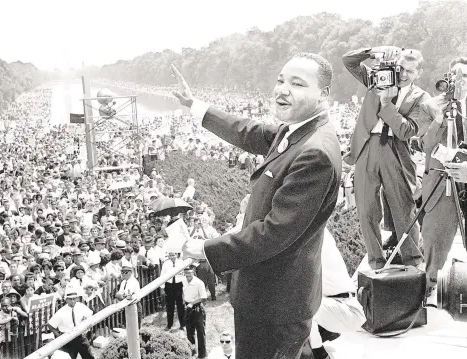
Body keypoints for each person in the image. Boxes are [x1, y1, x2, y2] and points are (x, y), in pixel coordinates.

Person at [173, 51, 342, 359]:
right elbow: (248, 131)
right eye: (280, 80)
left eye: (297, 83)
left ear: (324, 94)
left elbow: (275, 232)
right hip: (271, 295)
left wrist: (209, 249)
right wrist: (195, 106)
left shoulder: (314, 152)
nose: (283, 89)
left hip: (275, 305)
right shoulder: (298, 130)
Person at [342, 46, 429, 270]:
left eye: (409, 71)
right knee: (366, 208)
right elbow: (349, 61)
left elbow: (407, 131)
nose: (402, 74)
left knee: (403, 208)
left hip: (396, 151)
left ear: (418, 73)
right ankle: (376, 261)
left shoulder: (421, 98)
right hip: (366, 147)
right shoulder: (378, 78)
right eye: (399, 68)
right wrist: (374, 51)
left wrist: (387, 104)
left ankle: (412, 261)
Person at [416, 56, 467, 304]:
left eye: (466, 77)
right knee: (435, 237)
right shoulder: (431, 106)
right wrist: (438, 119)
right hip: (441, 182)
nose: (462, 83)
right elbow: (424, 144)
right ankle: (429, 289)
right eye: (458, 77)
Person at [305, 228, 366, 359]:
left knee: (302, 308)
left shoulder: (313, 240)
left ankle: (319, 354)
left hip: (347, 308)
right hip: (337, 304)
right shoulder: (318, 232)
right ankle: (323, 335)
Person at [47, 290, 94, 359]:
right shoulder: (61, 312)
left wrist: (85, 325)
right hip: (68, 340)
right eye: (70, 299)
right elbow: (50, 325)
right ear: (66, 300)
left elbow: (90, 315)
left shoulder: (81, 307)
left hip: (80, 336)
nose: (72, 301)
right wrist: (59, 336)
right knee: (69, 357)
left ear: (77, 298)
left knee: (89, 356)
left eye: (74, 298)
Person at [183, 266, 208, 359]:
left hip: (197, 309)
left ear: (193, 272)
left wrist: (192, 303)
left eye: (190, 274)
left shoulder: (199, 283)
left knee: (200, 333)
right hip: (188, 308)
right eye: (186, 274)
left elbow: (204, 297)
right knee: (189, 332)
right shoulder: (183, 280)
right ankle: (192, 353)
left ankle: (202, 355)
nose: (188, 276)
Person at [160, 251, 185, 331]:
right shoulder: (166, 264)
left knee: (180, 305)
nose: (171, 257)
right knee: (170, 306)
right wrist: (162, 288)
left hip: (179, 285)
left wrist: (184, 287)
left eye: (173, 255)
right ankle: (169, 325)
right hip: (169, 286)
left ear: (177, 254)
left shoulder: (181, 262)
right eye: (170, 255)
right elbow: (162, 276)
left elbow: (184, 275)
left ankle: (182, 324)